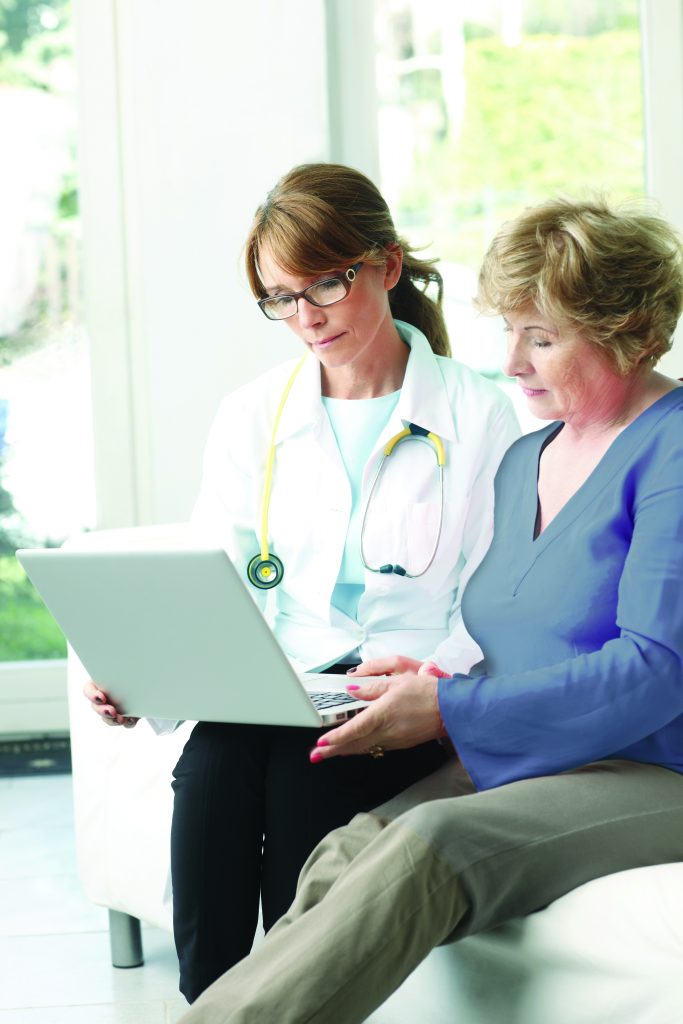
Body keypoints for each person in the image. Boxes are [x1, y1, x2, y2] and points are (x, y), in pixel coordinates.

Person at [176, 195, 683, 1024]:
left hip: (653, 767)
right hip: (537, 755)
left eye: (542, 338)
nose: (513, 363)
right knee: (344, 850)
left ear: (629, 330)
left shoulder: (671, 448)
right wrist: (429, 677)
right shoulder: (529, 457)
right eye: (508, 333)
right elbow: (515, 637)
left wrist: (449, 707)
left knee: (428, 848)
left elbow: (656, 671)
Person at [83, 162, 519, 1003]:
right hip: (279, 681)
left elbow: (488, 595)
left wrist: (434, 686)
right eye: (280, 297)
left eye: (323, 283)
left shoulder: (478, 413)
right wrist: (147, 679)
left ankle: (291, 1007)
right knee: (210, 770)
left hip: (397, 689)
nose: (304, 317)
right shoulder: (255, 413)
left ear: (386, 265)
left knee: (302, 777)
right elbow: (214, 584)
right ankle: (211, 1006)